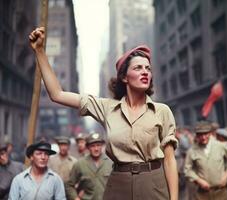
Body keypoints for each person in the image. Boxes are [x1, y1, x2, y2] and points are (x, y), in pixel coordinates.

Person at [29, 27, 178, 200]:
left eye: (148, 68)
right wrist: (40, 51)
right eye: (138, 68)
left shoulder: (162, 111)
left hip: (153, 183)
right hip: (118, 184)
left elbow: (169, 160)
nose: (145, 72)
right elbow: (57, 94)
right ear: (124, 77)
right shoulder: (107, 107)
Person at [184, 121, 227, 200]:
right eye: (200, 135)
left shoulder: (220, 146)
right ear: (196, 136)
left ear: (210, 133)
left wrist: (226, 175)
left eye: (205, 134)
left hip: (221, 191)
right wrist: (198, 180)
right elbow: (187, 170)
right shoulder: (192, 150)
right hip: (202, 193)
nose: (203, 137)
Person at [65, 132, 113, 200]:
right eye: (93, 146)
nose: (96, 149)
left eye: (98, 145)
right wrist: (75, 198)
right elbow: (69, 185)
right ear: (87, 147)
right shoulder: (80, 164)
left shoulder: (110, 163)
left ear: (102, 146)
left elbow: (118, 185)